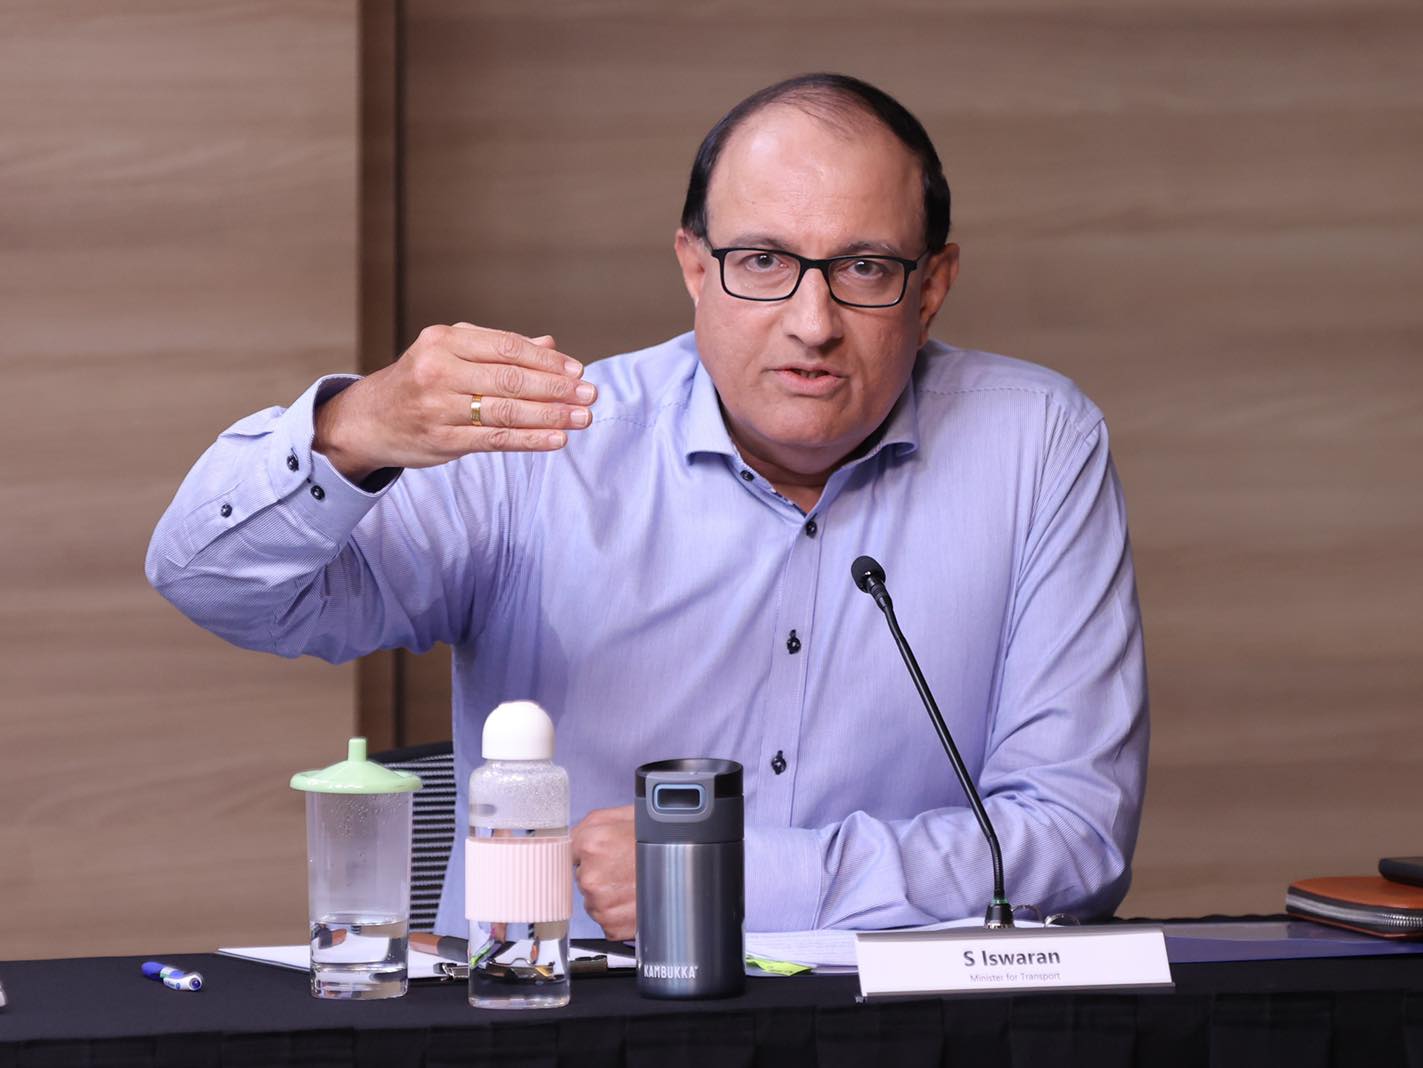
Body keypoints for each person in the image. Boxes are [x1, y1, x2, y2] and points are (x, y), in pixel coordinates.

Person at [147, 73, 1148, 940]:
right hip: (563, 1018)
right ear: (694, 267)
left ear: (931, 288)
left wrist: (733, 876)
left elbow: (1077, 840)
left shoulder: (1035, 443)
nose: (813, 323)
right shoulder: (548, 447)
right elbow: (210, 583)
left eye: (864, 268)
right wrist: (352, 429)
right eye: (763, 261)